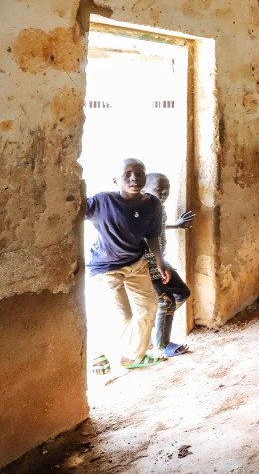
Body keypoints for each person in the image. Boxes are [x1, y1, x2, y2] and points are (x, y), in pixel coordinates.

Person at [87, 158, 170, 374]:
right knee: (122, 316)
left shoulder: (152, 204)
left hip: (137, 263)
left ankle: (134, 356)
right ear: (116, 180)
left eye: (140, 173)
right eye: (128, 174)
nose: (134, 178)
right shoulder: (102, 202)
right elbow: (73, 213)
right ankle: (98, 350)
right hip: (107, 268)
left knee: (148, 307)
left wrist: (159, 262)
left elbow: (152, 235)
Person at [141, 172, 194, 357]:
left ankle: (158, 326)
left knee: (183, 292)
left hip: (160, 259)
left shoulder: (159, 208)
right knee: (166, 301)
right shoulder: (143, 207)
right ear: (144, 188)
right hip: (148, 262)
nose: (164, 192)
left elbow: (159, 229)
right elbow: (147, 235)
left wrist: (176, 225)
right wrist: (156, 262)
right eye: (159, 189)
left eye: (167, 189)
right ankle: (163, 345)